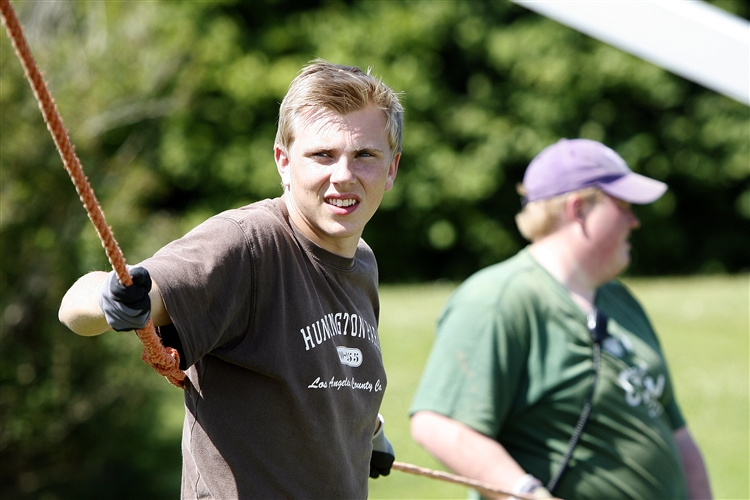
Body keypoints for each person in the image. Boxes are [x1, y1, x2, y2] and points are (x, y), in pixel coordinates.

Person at [59, 60, 401, 499]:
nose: (343, 175)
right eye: (322, 155)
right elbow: (74, 307)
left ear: (391, 169)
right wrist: (110, 295)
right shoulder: (246, 246)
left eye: (365, 156)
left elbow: (330, 371)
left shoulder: (362, 263)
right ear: (283, 161)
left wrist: (370, 435)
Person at [409, 139, 712, 500]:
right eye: (623, 206)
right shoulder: (497, 300)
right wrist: (528, 493)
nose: (635, 221)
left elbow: (675, 431)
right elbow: (440, 424)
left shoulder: (619, 299)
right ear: (579, 209)